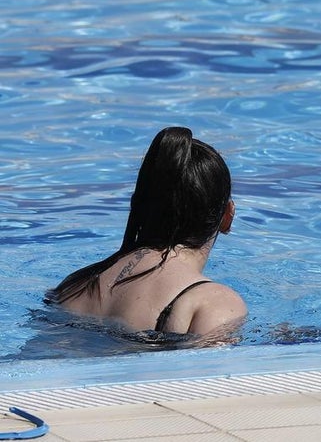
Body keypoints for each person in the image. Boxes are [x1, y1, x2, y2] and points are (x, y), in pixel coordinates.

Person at [47, 127, 247, 339]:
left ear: (139, 206)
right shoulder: (212, 304)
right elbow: (212, 370)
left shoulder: (72, 288)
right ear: (227, 216)